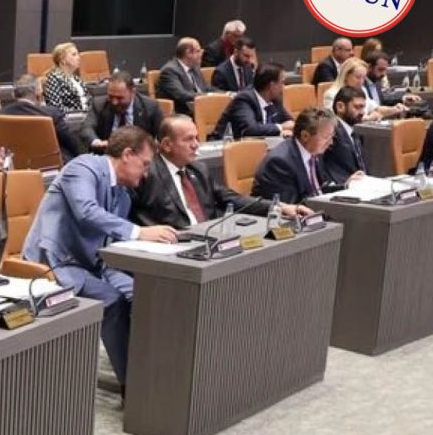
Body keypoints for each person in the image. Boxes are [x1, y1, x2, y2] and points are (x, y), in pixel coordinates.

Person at [22, 127, 177, 391]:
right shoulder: (83, 168)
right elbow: (86, 211)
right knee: (112, 300)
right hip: (58, 261)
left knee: (144, 295)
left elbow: (109, 241)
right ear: (127, 155)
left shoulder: (123, 195)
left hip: (94, 262)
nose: (146, 173)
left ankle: (153, 375)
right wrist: (138, 232)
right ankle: (134, 388)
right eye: (144, 164)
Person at [130, 115, 308, 229]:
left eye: (197, 138)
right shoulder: (146, 174)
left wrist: (279, 207)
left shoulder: (198, 169)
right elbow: (136, 216)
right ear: (167, 145)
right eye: (189, 139)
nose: (196, 145)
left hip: (208, 238)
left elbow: (232, 198)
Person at [251, 108, 359, 203]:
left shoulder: (314, 152)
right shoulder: (280, 162)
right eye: (326, 137)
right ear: (305, 136)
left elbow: (319, 189)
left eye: (332, 137)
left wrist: (346, 186)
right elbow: (290, 207)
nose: (330, 142)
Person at [0, 73, 81, 161]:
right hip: (50, 165)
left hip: (14, 165)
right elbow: (71, 143)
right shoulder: (52, 113)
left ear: (13, 94)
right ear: (38, 92)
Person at [81, 71, 163, 153]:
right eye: (111, 96)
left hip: (139, 155)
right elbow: (87, 128)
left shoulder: (150, 107)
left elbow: (162, 135)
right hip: (107, 155)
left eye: (119, 98)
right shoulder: (99, 104)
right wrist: (97, 142)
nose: (114, 102)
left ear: (133, 93)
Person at [210, 62, 294, 140]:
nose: (284, 87)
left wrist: (283, 131)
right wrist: (280, 127)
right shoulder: (244, 99)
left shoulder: (275, 100)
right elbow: (250, 129)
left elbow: (290, 123)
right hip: (229, 147)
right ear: (271, 86)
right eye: (282, 82)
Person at [321, 57, 404, 121]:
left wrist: (394, 109)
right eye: (358, 77)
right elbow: (335, 121)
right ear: (346, 76)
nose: (361, 81)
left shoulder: (362, 90)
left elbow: (376, 108)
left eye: (363, 78)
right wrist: (368, 118)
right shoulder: (332, 94)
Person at [157, 37, 218, 116]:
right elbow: (181, 95)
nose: (201, 54)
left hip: (200, 109)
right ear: (188, 53)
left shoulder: (194, 68)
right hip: (180, 114)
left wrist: (226, 94)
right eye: (198, 51)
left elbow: (206, 88)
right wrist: (207, 96)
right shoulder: (169, 71)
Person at [324, 86, 369, 184]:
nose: (362, 112)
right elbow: (325, 171)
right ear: (340, 107)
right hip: (342, 188)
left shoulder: (354, 132)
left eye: (363, 107)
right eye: (357, 107)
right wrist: (344, 184)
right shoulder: (331, 133)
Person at [42, 42, 88, 112]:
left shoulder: (76, 78)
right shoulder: (54, 78)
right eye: (74, 54)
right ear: (62, 59)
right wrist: (78, 112)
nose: (78, 58)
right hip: (70, 116)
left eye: (78, 54)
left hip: (85, 115)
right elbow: (56, 107)